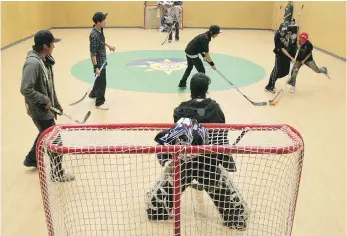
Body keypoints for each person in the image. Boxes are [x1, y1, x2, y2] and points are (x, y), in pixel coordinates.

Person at [146, 73, 249, 230]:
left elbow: (178, 136)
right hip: (209, 162)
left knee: (168, 187)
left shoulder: (180, 109)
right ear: (206, 89)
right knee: (225, 195)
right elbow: (221, 135)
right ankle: (235, 218)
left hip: (185, 162)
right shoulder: (215, 109)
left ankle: (158, 212)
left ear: (191, 89)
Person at [20, 30, 75, 182]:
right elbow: (25, 88)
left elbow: (49, 86)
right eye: (52, 44)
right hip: (39, 110)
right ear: (45, 46)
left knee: (44, 133)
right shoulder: (33, 63)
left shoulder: (44, 60)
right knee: (56, 142)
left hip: (45, 108)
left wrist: (56, 103)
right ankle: (57, 174)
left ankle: (32, 159)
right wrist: (44, 100)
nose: (54, 47)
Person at [88, 12, 115, 110]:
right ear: (98, 22)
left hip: (102, 59)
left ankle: (93, 93)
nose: (105, 22)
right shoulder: (94, 36)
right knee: (102, 82)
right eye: (103, 20)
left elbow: (102, 41)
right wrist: (96, 67)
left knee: (98, 79)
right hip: (98, 62)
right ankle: (99, 102)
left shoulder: (100, 30)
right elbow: (93, 53)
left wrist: (109, 46)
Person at [265, 22, 296, 93]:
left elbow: (295, 32)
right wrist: (291, 58)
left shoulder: (288, 32)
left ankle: (274, 78)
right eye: (281, 31)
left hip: (287, 55)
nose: (282, 33)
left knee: (285, 72)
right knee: (276, 71)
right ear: (279, 30)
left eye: (284, 32)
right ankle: (269, 86)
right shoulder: (277, 36)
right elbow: (282, 49)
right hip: (279, 55)